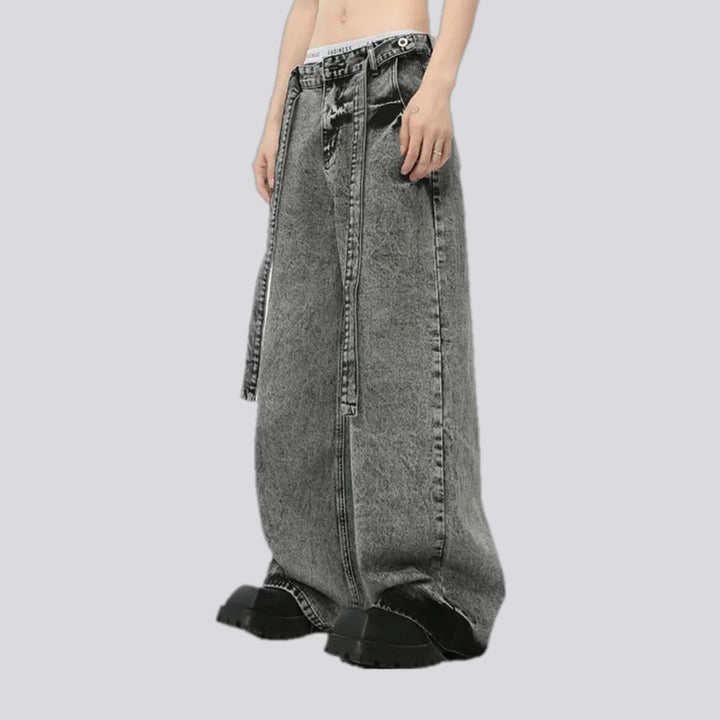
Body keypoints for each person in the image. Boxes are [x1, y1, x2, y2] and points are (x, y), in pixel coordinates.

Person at [217, 0, 505, 669]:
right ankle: (313, 577)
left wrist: (439, 81)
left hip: (393, 83)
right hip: (313, 88)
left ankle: (437, 591)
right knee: (302, 346)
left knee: (400, 340)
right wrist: (276, 117)